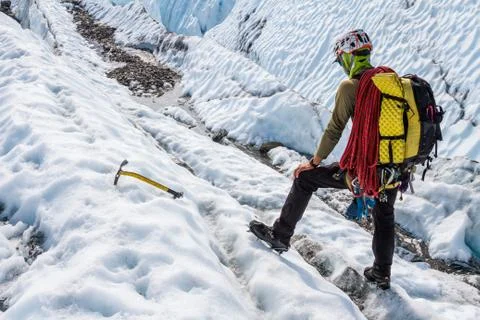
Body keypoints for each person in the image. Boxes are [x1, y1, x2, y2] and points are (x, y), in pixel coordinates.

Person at [249, 29, 396, 290]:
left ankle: (280, 235)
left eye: (341, 60)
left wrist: (314, 162)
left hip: (366, 170)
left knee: (305, 179)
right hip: (395, 169)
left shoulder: (351, 86)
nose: (341, 66)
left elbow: (334, 128)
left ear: (348, 57)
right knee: (384, 214)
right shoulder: (390, 81)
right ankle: (381, 273)